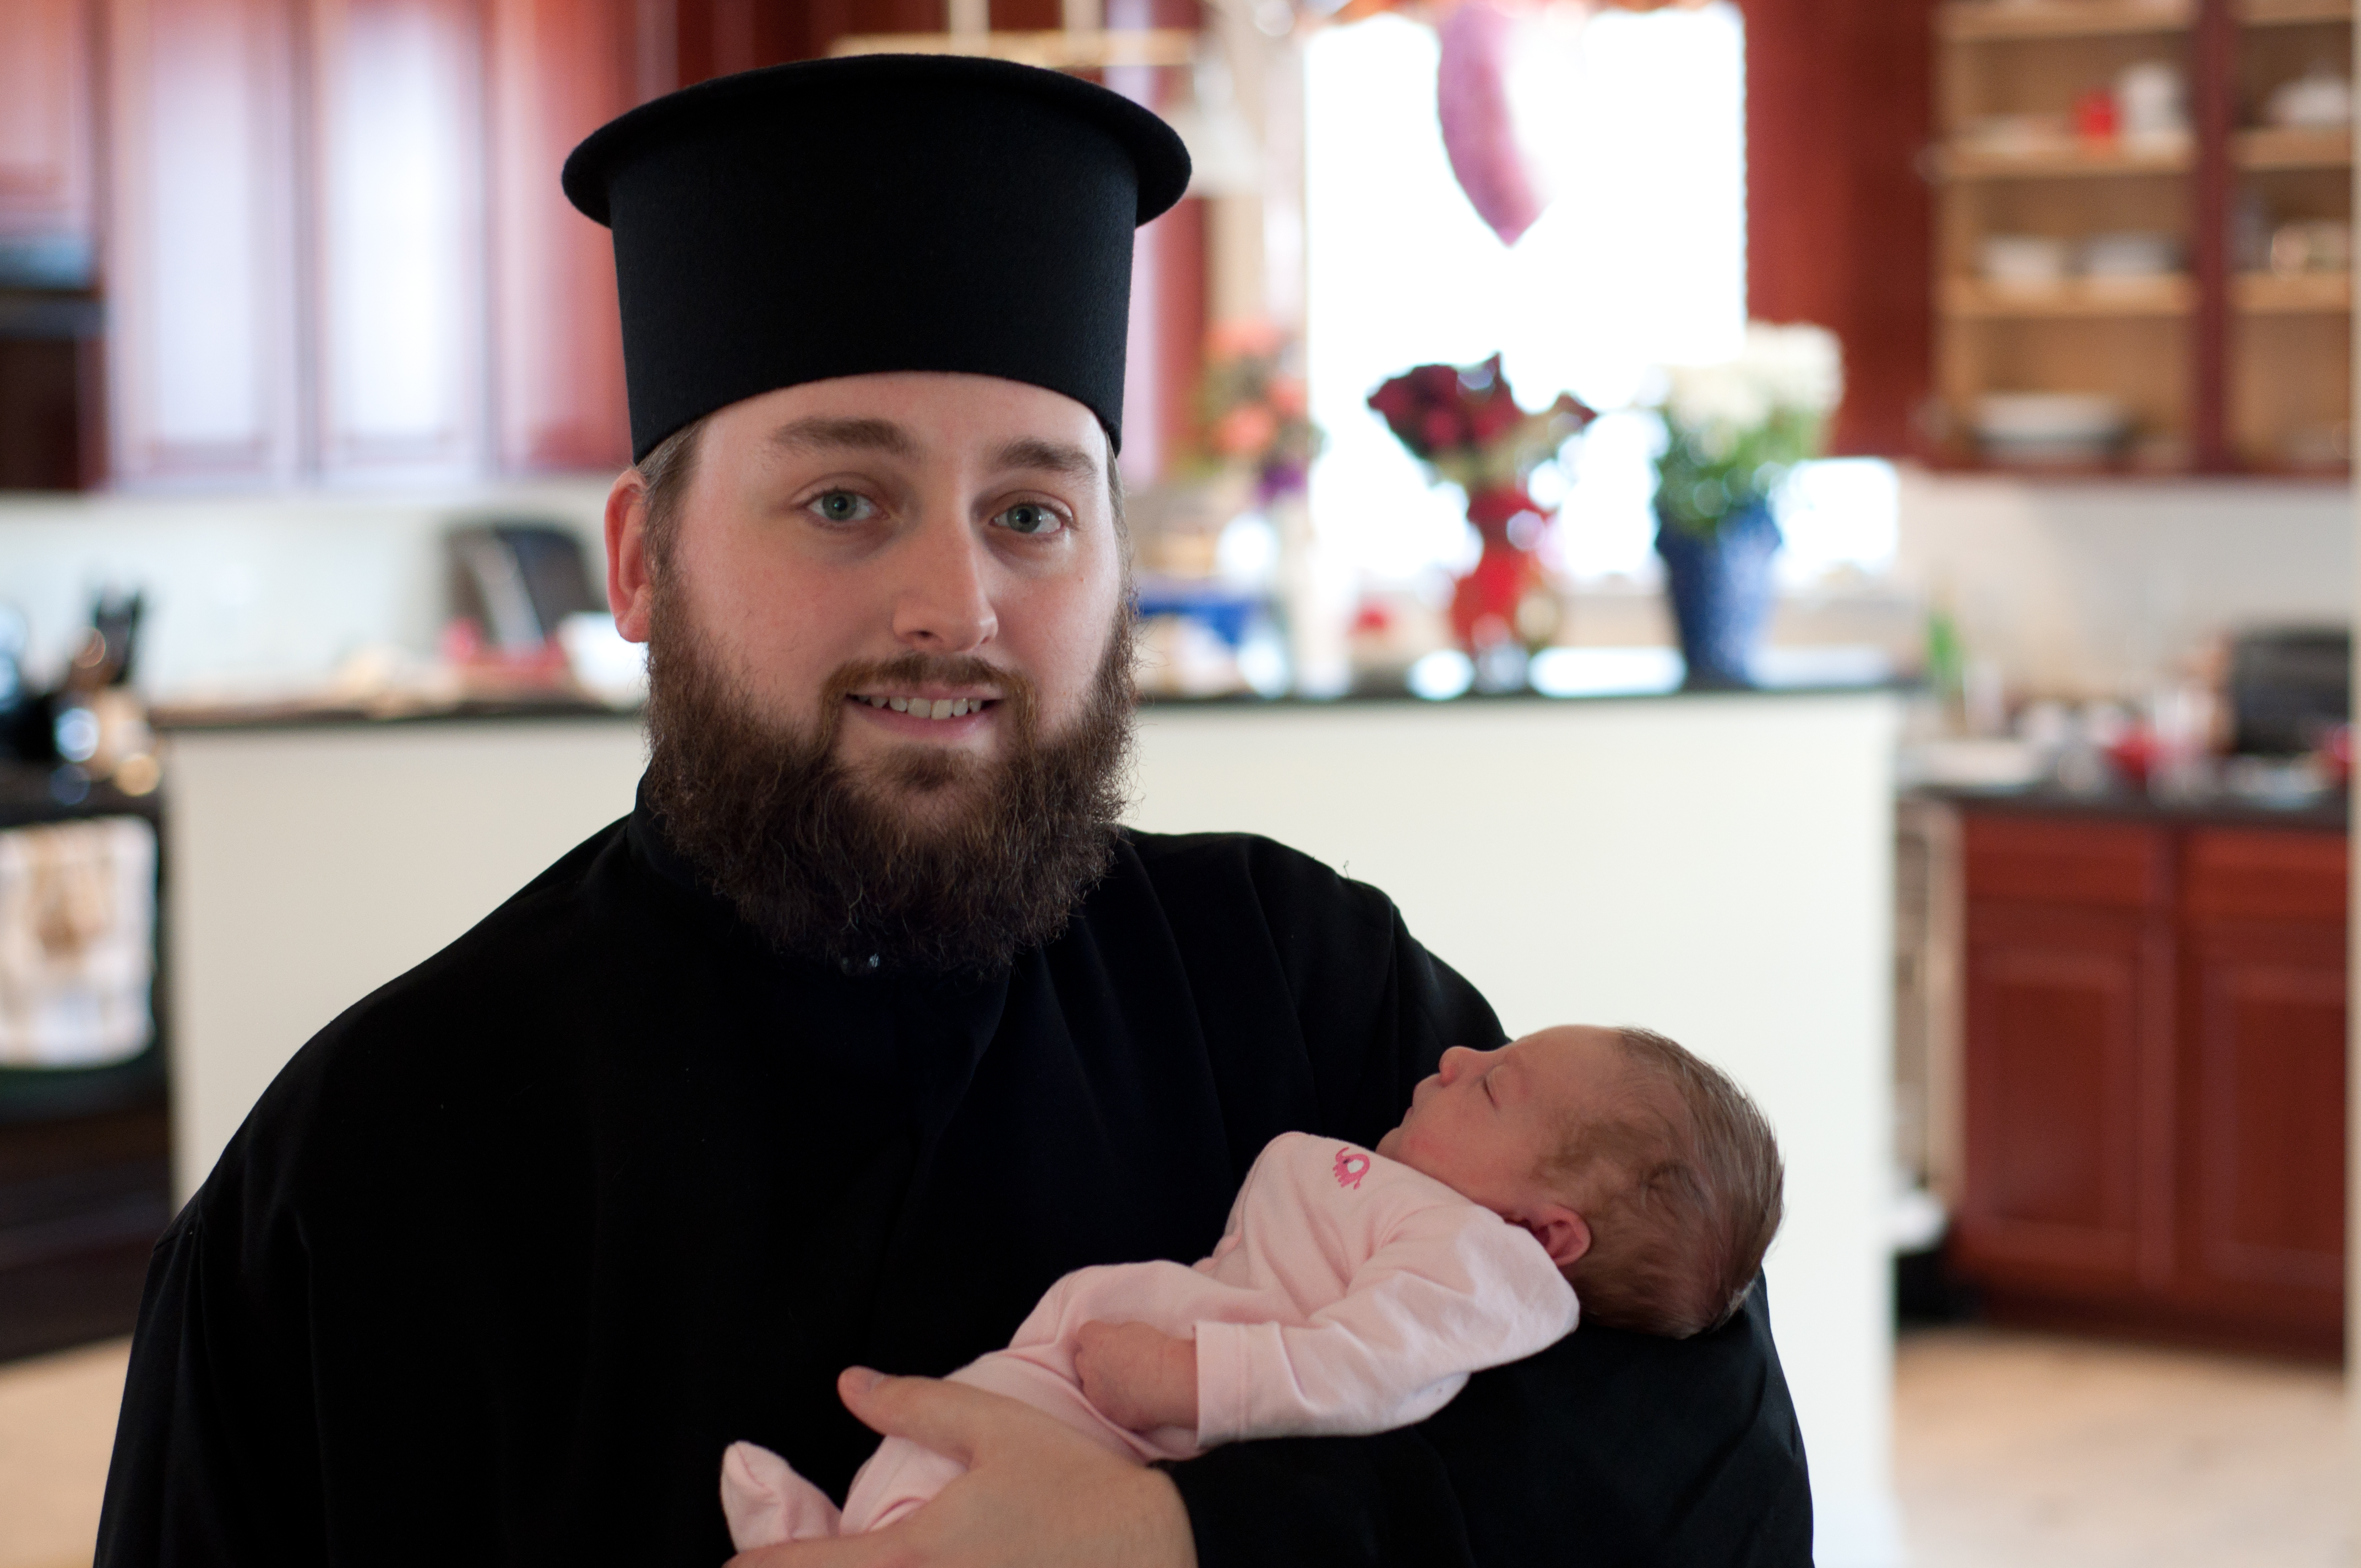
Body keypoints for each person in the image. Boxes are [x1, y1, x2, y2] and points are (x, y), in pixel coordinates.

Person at [96, 55, 1814, 1568]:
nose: (955, 604)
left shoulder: (1305, 991)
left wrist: (1176, 1543)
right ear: (640, 561)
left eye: (1033, 514)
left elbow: (1712, 1478)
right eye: (844, 499)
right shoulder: (378, 1161)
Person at [721, 1024, 1786, 1549]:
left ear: (1549, 1233)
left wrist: (1192, 1381)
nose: (1457, 1053)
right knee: (971, 1430)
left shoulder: (1483, 1268)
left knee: (979, 1463)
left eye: (1496, 1082)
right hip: (1098, 1372)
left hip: (1135, 1422)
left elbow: (1365, 1374)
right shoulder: (1448, 1211)